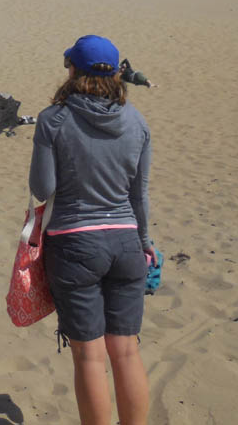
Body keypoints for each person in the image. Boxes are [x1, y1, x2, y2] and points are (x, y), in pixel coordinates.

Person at [29, 34, 157, 425]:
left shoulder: (54, 119)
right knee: (126, 351)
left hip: (74, 244)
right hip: (126, 243)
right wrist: (145, 243)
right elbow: (140, 194)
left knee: (89, 355)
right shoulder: (137, 121)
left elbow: (42, 188)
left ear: (73, 71)